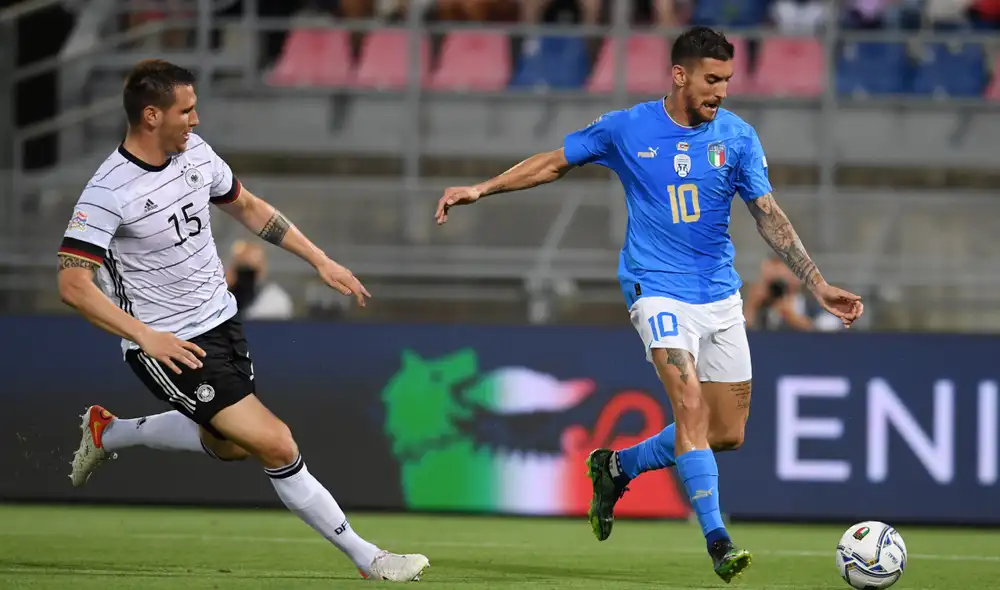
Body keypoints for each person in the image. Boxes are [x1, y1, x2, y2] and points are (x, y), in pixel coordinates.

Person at [434, 26, 863, 583]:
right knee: (688, 403)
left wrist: (817, 282)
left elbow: (767, 214)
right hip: (655, 287)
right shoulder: (627, 127)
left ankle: (616, 467)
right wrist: (479, 189)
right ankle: (718, 539)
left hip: (719, 294)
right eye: (712, 80)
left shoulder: (737, 137)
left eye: (728, 80)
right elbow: (552, 162)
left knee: (726, 432)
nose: (722, 91)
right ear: (679, 75)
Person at [60, 59, 429, 582]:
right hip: (168, 342)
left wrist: (320, 259)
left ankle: (109, 433)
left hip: (223, 323)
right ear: (150, 115)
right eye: (186, 110)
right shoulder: (108, 191)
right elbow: (72, 284)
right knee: (276, 442)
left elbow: (250, 207)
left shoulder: (197, 156)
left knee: (231, 445)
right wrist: (146, 336)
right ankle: (369, 558)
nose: (196, 120)